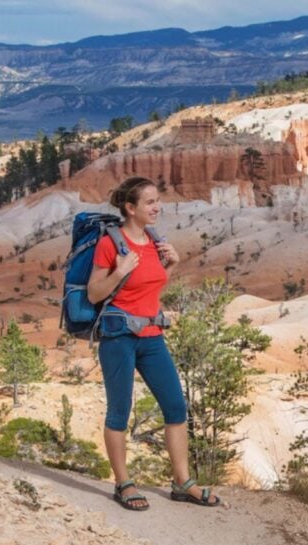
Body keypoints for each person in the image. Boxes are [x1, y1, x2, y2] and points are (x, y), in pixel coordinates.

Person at [87, 175, 221, 511]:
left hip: (152, 337)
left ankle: (182, 482)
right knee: (119, 412)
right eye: (149, 202)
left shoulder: (154, 241)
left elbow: (148, 290)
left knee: (176, 408)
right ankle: (123, 483)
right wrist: (118, 272)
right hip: (119, 338)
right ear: (130, 208)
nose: (157, 206)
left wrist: (170, 265)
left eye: (157, 200)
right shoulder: (111, 244)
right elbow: (94, 293)